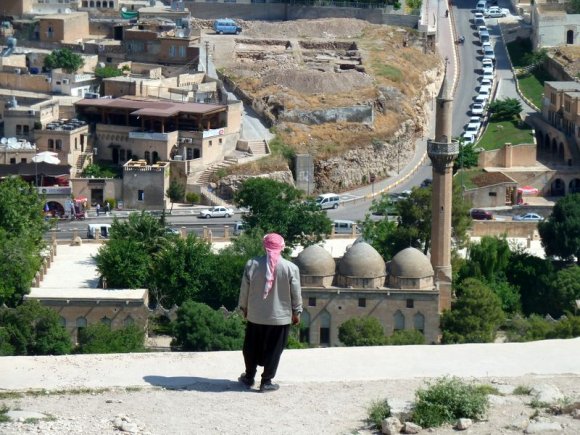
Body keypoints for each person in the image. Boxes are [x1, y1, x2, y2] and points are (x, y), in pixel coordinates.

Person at [238, 233, 302, 393]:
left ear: (264, 247)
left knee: (251, 348)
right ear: (282, 248)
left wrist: (244, 308)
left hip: (256, 316)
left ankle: (249, 377)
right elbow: (296, 293)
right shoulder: (290, 268)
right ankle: (266, 382)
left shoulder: (252, 264)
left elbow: (244, 291)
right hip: (280, 318)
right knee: (274, 350)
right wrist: (297, 312)